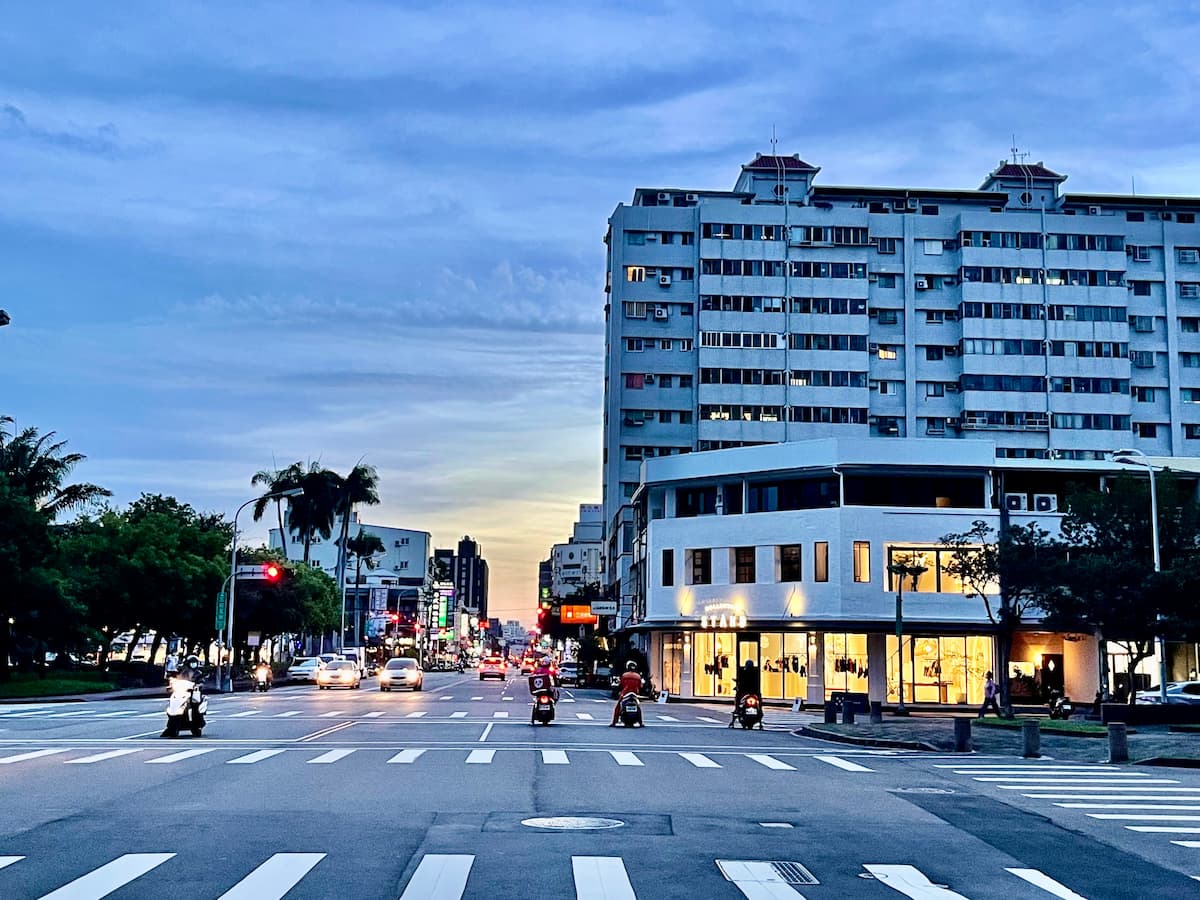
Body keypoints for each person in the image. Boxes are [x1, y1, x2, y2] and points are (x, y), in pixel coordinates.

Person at [610, 661, 643, 726]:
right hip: (635, 694)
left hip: (625, 693)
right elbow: (640, 686)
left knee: (618, 706)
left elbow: (620, 685)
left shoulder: (624, 675)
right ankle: (640, 723)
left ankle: (614, 722)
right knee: (638, 707)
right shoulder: (638, 676)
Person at [731, 659, 761, 725]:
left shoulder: (744, 673)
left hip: (745, 691)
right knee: (759, 698)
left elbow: (740, 681)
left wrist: (737, 684)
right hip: (754, 691)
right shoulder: (755, 673)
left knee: (738, 697)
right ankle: (760, 710)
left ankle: (737, 709)